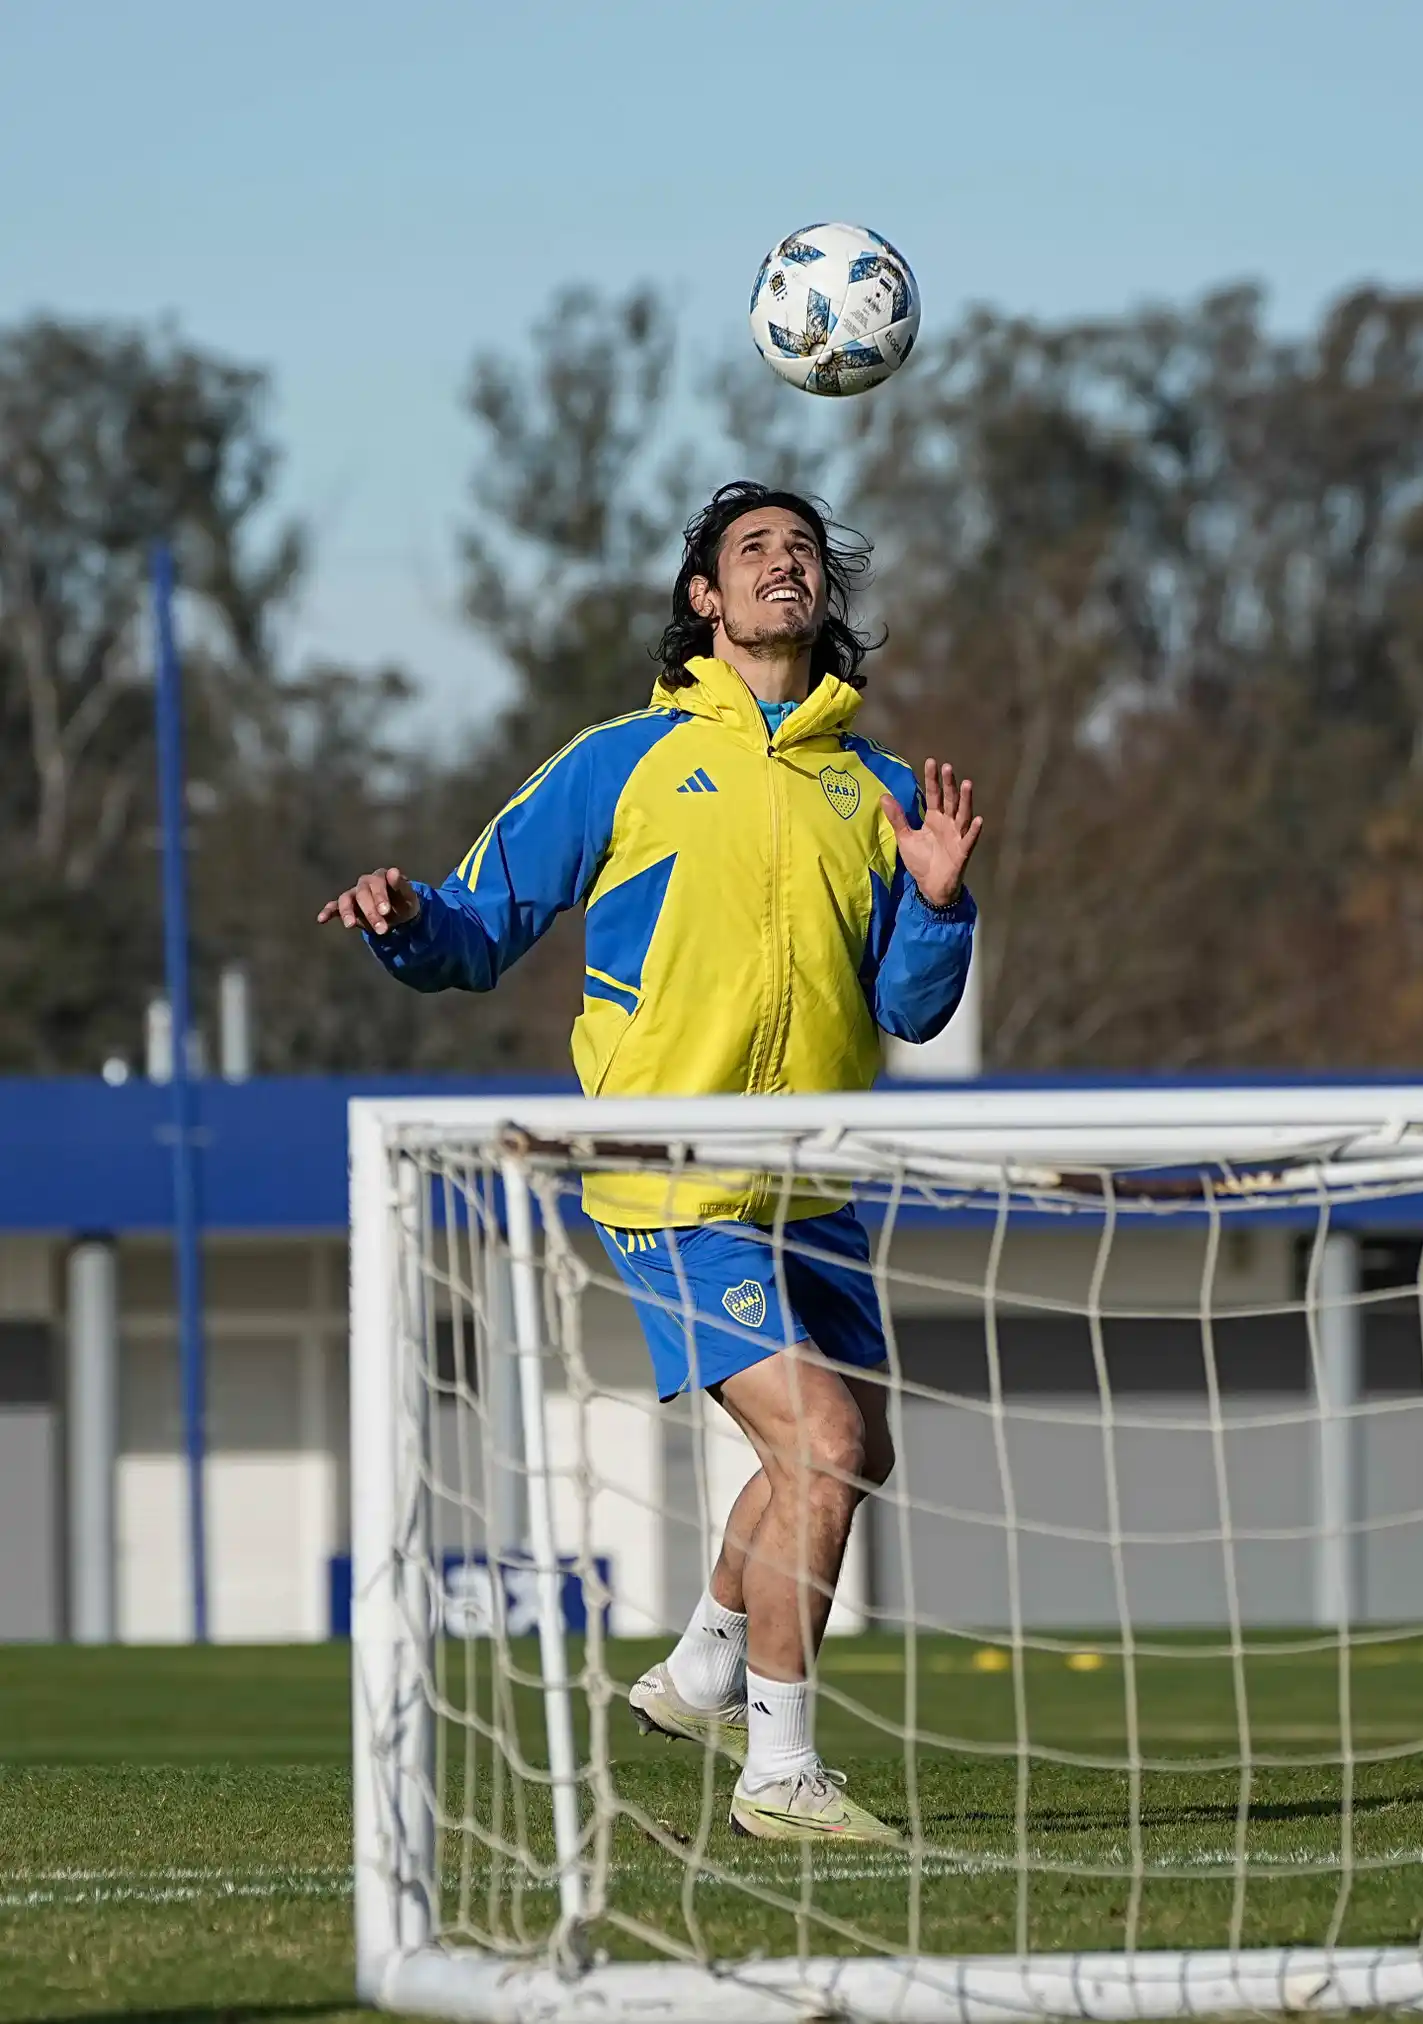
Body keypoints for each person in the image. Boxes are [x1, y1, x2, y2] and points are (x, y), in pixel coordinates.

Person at [320, 479, 982, 1843]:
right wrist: (402, 918)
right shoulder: (620, 761)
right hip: (670, 1178)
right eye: (754, 552)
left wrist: (937, 901)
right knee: (826, 1440)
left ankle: (695, 1672)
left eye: (803, 551)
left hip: (813, 1186)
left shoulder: (886, 789)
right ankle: (780, 1774)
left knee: (853, 1458)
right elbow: (478, 923)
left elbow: (914, 1010)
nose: (783, 566)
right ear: (704, 598)